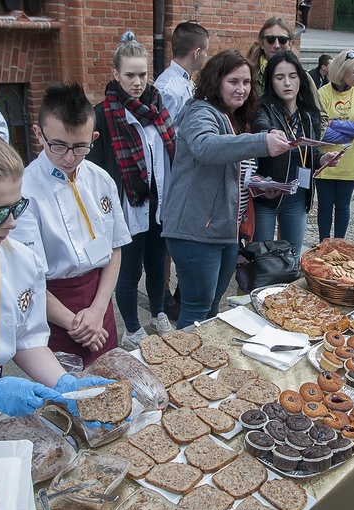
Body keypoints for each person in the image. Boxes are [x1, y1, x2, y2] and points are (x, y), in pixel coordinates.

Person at [0, 121, 113, 418]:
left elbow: (26, 340)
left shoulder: (19, 259)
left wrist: (64, 384)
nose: (11, 224)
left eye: (16, 207)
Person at [161, 50, 290, 330]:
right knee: (196, 308)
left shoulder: (230, 117)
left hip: (224, 230)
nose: (241, 89)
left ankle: (203, 363)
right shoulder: (200, 112)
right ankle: (184, 365)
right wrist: (261, 141)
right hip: (195, 231)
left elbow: (230, 174)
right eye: (233, 81)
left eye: (246, 82)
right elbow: (206, 147)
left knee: (211, 306)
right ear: (216, 81)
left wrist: (258, 188)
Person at [11, 83, 131, 367]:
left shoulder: (101, 179)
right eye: (59, 145)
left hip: (99, 299)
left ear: (94, 138)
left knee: (111, 385)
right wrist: (77, 324)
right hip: (53, 307)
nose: (68, 158)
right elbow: (27, 279)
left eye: (80, 147)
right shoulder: (24, 191)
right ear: (39, 134)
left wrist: (99, 308)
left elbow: (114, 248)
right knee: (66, 396)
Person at [88, 32, 175, 350]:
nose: (137, 82)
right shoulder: (104, 114)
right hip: (126, 207)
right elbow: (95, 170)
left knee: (157, 264)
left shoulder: (157, 107)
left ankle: (158, 313)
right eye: (129, 75)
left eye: (142, 74)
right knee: (128, 269)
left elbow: (168, 154)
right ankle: (133, 329)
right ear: (115, 74)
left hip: (159, 203)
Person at [252, 51, 340, 258]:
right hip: (268, 194)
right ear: (271, 81)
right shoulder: (263, 107)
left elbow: (312, 152)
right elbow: (259, 125)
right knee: (261, 259)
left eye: (292, 76)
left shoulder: (309, 114)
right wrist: (270, 133)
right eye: (279, 77)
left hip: (298, 195)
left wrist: (323, 159)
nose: (287, 83)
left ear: (301, 79)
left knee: (292, 257)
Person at [154, 21, 210, 320]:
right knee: (167, 235)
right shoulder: (167, 87)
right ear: (197, 51)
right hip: (170, 172)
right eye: (205, 52)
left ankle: (175, 290)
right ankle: (162, 295)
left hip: (181, 170)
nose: (205, 58)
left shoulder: (185, 82)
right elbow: (164, 135)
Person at [316, 49, 354, 241]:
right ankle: (324, 244)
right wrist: (349, 134)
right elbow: (320, 131)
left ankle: (339, 243)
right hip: (325, 162)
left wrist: (335, 123)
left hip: (349, 164)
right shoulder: (322, 94)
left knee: (342, 206)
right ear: (342, 71)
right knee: (324, 206)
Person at [247, 18, 295, 91]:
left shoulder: (302, 77)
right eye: (270, 39)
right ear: (262, 43)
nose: (276, 45)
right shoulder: (249, 76)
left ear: (290, 44)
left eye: (282, 40)